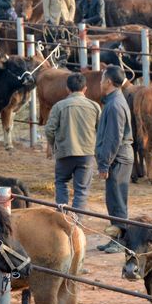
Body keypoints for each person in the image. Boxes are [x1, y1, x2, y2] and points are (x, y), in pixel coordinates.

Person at [45, 73, 101, 212]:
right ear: (85, 89)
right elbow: (101, 130)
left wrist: (52, 145)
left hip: (65, 152)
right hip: (86, 153)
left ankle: (62, 217)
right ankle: (76, 222)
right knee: (81, 190)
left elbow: (49, 129)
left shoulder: (59, 106)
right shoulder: (95, 106)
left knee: (61, 183)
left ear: (67, 89)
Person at [95, 66, 134, 254]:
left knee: (117, 200)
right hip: (119, 157)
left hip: (118, 158)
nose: (101, 82)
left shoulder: (114, 104)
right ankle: (116, 237)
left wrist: (104, 163)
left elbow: (113, 138)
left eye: (102, 79)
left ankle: (120, 240)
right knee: (114, 200)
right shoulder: (114, 101)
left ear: (109, 82)